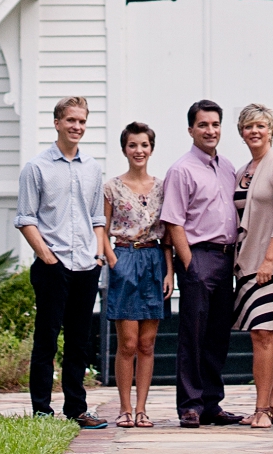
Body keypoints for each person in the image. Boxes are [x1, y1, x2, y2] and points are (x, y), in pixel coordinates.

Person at [14, 96, 109, 426]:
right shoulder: (37, 168)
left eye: (82, 121)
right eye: (71, 120)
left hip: (85, 265)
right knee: (46, 340)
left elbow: (98, 217)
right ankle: (41, 410)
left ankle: (76, 409)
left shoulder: (94, 168)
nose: (77, 127)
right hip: (53, 266)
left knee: (79, 343)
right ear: (57, 123)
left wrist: (98, 255)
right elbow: (26, 218)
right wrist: (47, 256)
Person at [161, 99, 245, 429]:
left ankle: (212, 403)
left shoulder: (228, 168)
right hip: (198, 257)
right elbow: (173, 222)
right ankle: (190, 405)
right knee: (193, 334)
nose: (210, 131)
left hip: (227, 259)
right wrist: (189, 265)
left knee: (217, 335)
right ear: (190, 130)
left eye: (215, 125)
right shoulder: (181, 170)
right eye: (203, 125)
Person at [232, 103, 273, 430]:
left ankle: (260, 410)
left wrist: (269, 259)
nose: (254, 131)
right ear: (241, 132)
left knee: (262, 333)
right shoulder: (243, 169)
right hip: (247, 264)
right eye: (248, 126)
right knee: (266, 336)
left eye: (261, 125)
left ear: (271, 129)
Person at [103, 121, 174, 428]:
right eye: (133, 145)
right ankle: (124, 408)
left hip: (154, 258)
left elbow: (169, 233)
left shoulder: (162, 187)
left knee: (147, 343)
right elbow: (102, 230)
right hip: (125, 255)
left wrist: (169, 271)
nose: (139, 150)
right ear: (124, 149)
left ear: (151, 148)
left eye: (144, 145)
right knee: (128, 342)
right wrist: (114, 262)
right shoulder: (112, 187)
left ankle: (143, 409)